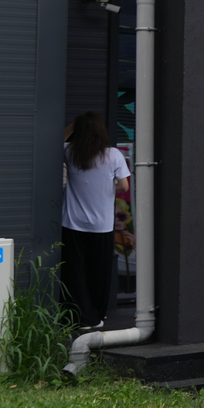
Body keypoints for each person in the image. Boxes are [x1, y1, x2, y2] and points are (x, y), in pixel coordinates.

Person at [61, 112, 129, 331]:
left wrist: (73, 125)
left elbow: (56, 141)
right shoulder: (113, 154)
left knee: (75, 272)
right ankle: (97, 316)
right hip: (102, 225)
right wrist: (108, 186)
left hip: (73, 223)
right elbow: (124, 186)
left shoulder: (70, 151)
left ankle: (83, 317)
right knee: (99, 272)